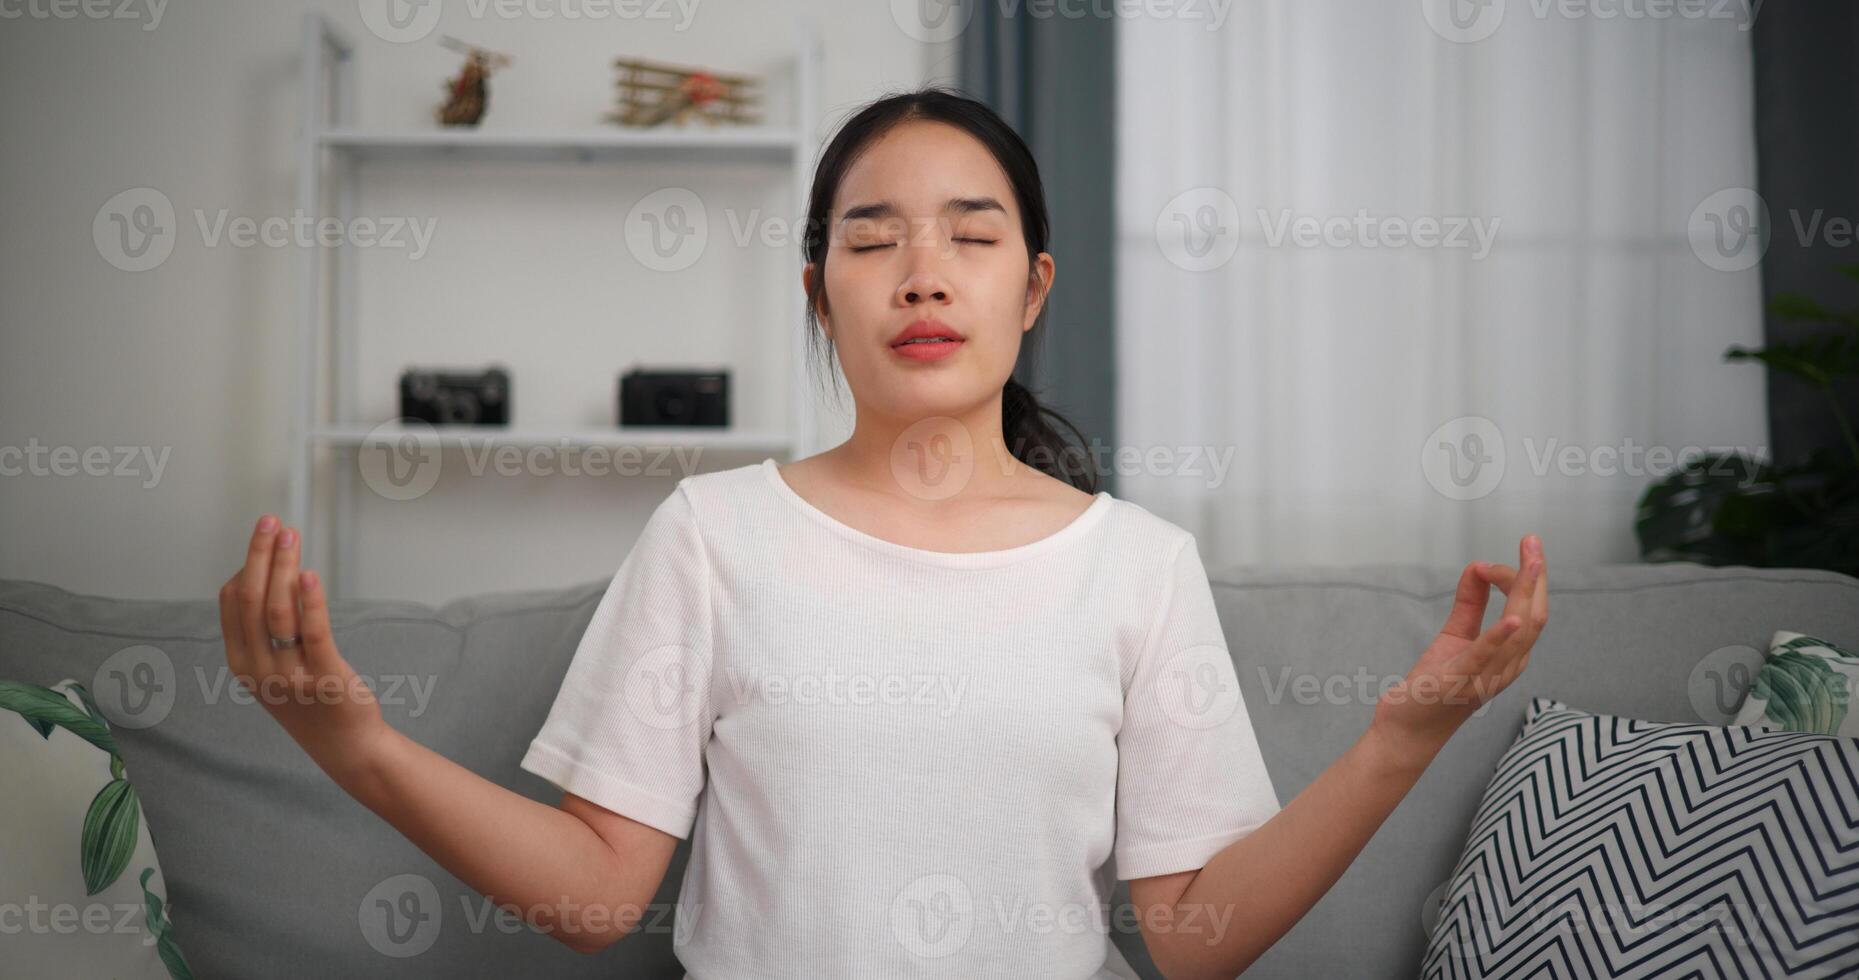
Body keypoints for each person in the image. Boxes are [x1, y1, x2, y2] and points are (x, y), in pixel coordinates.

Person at [217, 86, 1549, 979]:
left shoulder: (1139, 567)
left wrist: (1399, 740)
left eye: (970, 238)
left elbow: (1194, 939)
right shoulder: (711, 535)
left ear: (1029, 292)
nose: (921, 272)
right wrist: (362, 747)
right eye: (873, 241)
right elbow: (599, 894)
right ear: (820, 293)